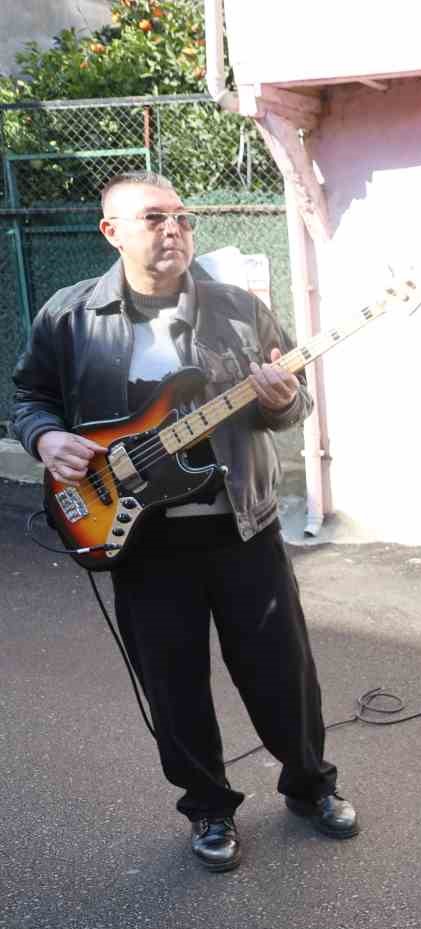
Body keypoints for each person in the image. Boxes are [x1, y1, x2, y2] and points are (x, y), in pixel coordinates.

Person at [10, 170, 355, 872]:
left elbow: (291, 406)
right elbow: (28, 397)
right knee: (173, 684)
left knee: (282, 671)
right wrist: (45, 438)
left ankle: (309, 785)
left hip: (242, 524)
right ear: (111, 232)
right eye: (153, 218)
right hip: (140, 538)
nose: (173, 229)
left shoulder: (238, 309)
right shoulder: (70, 317)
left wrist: (282, 399)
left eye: (182, 216)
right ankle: (207, 807)